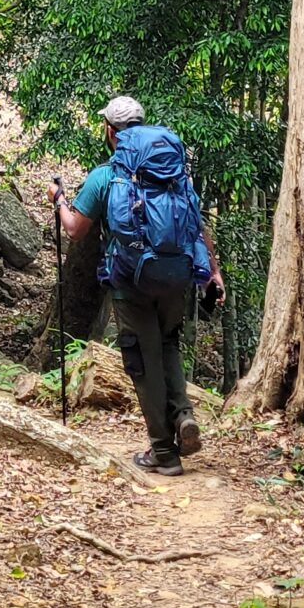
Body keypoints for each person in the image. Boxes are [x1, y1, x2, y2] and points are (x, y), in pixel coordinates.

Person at [49, 93, 224, 476]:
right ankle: (183, 417)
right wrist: (213, 272)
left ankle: (163, 452)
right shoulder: (177, 176)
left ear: (111, 132)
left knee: (143, 361)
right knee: (168, 345)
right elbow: (198, 224)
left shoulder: (107, 175)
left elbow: (76, 229)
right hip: (177, 277)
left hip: (131, 283)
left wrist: (59, 199)